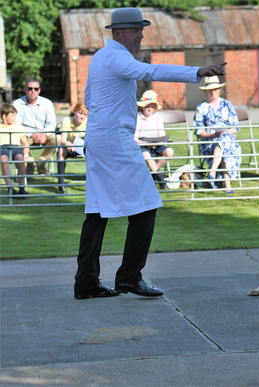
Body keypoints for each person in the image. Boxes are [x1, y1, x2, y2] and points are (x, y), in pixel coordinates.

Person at [73, 7, 226, 300]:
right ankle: (129, 277)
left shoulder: (100, 57)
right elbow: (151, 71)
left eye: (141, 29)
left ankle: (86, 282)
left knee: (97, 212)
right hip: (115, 143)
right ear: (118, 33)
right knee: (146, 205)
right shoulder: (118, 57)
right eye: (135, 30)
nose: (141, 35)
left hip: (99, 138)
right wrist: (197, 72)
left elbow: (89, 99)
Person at [194, 76, 242, 194]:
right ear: (206, 91)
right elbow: (199, 132)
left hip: (228, 140)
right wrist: (213, 134)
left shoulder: (227, 104)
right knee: (223, 143)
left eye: (215, 89)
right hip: (209, 142)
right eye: (210, 89)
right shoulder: (201, 107)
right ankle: (227, 185)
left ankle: (213, 171)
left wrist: (225, 132)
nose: (212, 91)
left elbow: (235, 128)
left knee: (224, 140)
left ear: (219, 90)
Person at [13, 77, 57, 175]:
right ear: (25, 90)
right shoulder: (17, 103)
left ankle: (41, 162)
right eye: (30, 88)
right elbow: (16, 125)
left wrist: (44, 133)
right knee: (17, 141)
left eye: (35, 89)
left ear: (39, 90)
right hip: (25, 136)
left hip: (43, 134)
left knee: (56, 139)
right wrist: (31, 134)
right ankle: (30, 163)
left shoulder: (47, 103)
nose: (33, 91)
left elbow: (51, 123)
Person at [134, 90, 172, 190]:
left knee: (169, 151)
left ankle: (153, 174)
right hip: (143, 143)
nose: (149, 109)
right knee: (145, 154)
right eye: (147, 106)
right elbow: (135, 138)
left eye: (152, 106)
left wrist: (157, 142)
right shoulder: (138, 119)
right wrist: (145, 142)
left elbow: (161, 135)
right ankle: (160, 179)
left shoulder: (157, 119)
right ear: (143, 107)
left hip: (157, 142)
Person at [56, 102, 88, 194]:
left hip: (82, 148)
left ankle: (92, 185)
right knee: (61, 151)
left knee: (94, 153)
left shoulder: (87, 122)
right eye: (80, 113)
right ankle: (61, 185)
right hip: (69, 148)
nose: (82, 117)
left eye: (85, 114)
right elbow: (63, 140)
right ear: (74, 111)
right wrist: (67, 143)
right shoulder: (66, 120)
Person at [0, 103, 29, 198]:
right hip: (3, 148)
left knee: (20, 160)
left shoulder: (17, 127)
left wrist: (25, 156)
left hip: (16, 147)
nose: (15, 118)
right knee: (4, 161)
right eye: (12, 116)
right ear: (4, 116)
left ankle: (22, 188)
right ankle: (10, 187)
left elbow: (25, 143)